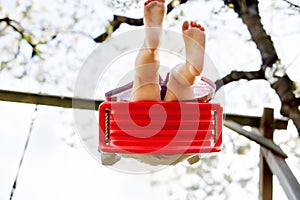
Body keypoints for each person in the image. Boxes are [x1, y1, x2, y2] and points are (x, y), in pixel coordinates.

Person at [101, 0, 216, 166]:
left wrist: (109, 155)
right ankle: (189, 69)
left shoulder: (116, 136)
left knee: (145, 79)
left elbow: (107, 155)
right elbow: (197, 154)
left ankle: (152, 45)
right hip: (180, 135)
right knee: (171, 79)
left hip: (142, 138)